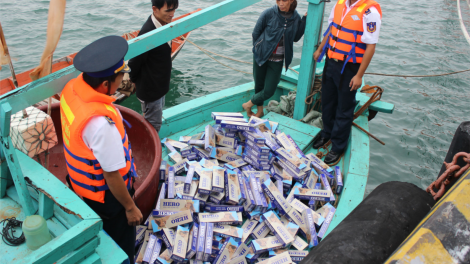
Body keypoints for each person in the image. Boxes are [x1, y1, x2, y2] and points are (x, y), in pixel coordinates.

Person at [60, 36, 143, 263]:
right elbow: (111, 174)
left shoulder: (72, 89)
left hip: (80, 186)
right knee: (121, 245)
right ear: (106, 84)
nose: (122, 81)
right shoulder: (100, 124)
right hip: (107, 199)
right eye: (119, 77)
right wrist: (130, 208)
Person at [312, 0, 382, 164]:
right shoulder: (340, 4)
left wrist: (359, 75)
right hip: (331, 61)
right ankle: (326, 133)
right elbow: (331, 30)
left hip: (349, 66)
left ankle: (337, 146)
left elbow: (371, 46)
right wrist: (320, 49)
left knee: (344, 107)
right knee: (327, 101)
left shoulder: (369, 12)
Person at [242, 0, 307, 118]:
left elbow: (296, 38)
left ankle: (248, 104)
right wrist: (258, 48)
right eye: (278, 0)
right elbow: (256, 33)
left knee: (269, 91)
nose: (280, 3)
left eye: (284, 0)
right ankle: (260, 111)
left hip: (277, 60)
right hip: (261, 56)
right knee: (259, 85)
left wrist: (304, 21)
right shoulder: (268, 13)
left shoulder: (295, 17)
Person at [128, 0, 179, 133]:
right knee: (153, 125)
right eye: (168, 11)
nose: (172, 14)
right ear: (155, 9)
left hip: (160, 85)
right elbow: (134, 62)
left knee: (154, 119)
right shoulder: (147, 33)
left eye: (174, 9)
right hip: (151, 89)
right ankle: (149, 150)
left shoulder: (164, 24)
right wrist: (133, 80)